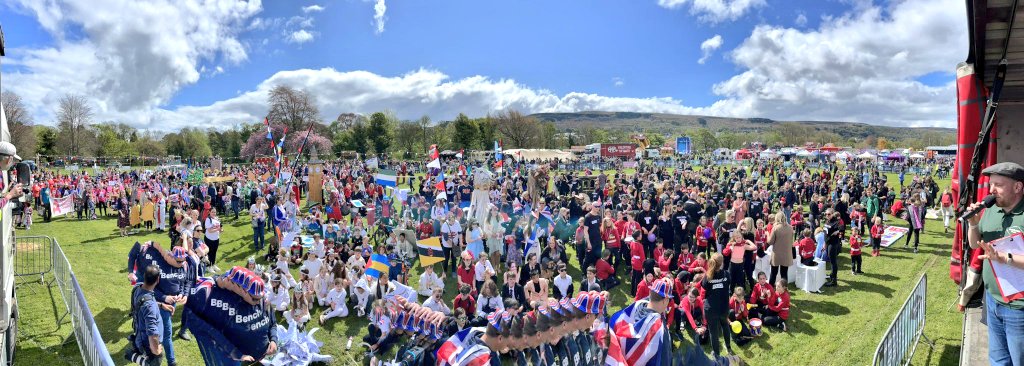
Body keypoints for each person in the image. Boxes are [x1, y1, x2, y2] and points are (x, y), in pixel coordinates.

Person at [966, 162, 1024, 365]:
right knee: (998, 360)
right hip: (992, 299)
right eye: (991, 184)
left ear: (1018, 187)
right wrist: (973, 223)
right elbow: (974, 244)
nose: (991, 190)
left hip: (1019, 308)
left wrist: (1004, 258)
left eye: (998, 185)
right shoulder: (991, 210)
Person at [184, 267, 278, 365]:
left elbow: (272, 322)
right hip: (232, 359)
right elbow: (212, 333)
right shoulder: (215, 298)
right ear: (240, 288)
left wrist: (273, 339)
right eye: (255, 299)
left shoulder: (259, 297)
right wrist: (236, 354)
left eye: (261, 297)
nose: (259, 301)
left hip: (259, 357)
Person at [606, 278, 673, 366]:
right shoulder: (660, 331)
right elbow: (664, 360)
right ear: (665, 301)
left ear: (650, 293)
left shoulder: (636, 306)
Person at [126, 265, 166, 366]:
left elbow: (142, 302)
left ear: (144, 276)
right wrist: (157, 352)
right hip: (148, 346)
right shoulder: (150, 306)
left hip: (139, 336)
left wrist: (161, 305)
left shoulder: (137, 288)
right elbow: (152, 334)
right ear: (158, 279)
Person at [702, 253, 732, 357]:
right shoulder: (726, 274)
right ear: (722, 263)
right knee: (725, 325)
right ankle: (728, 348)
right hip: (724, 307)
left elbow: (704, 287)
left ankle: (717, 354)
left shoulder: (708, 276)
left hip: (711, 309)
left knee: (713, 331)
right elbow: (729, 284)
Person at [767, 212, 794, 285]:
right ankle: (784, 290)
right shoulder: (790, 228)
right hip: (786, 254)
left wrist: (767, 235)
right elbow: (791, 241)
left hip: (777, 254)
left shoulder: (775, 228)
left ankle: (770, 288)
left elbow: (770, 242)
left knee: (773, 273)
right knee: (784, 274)